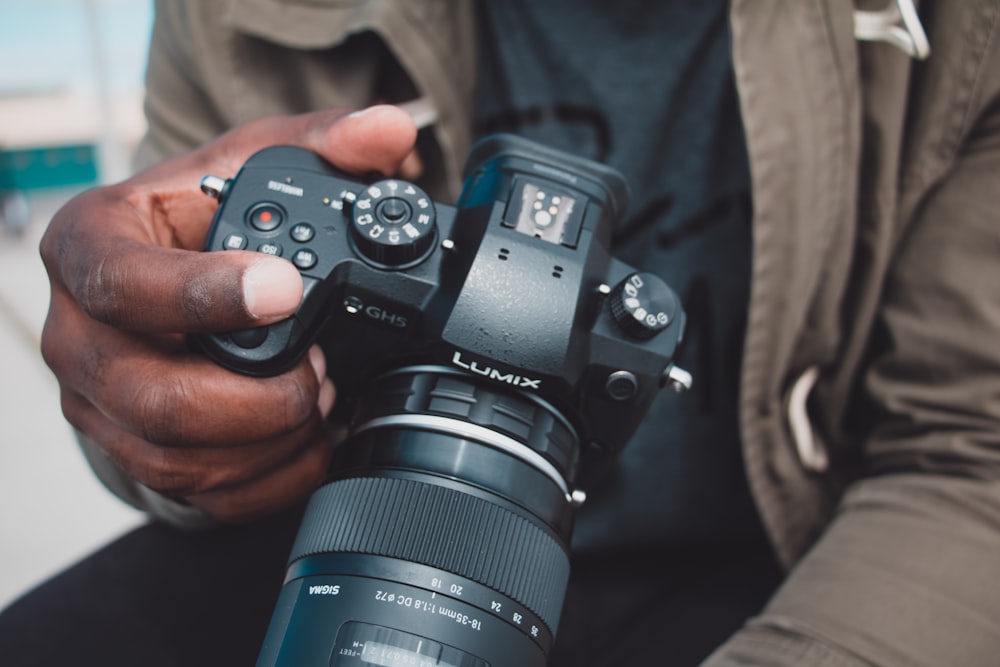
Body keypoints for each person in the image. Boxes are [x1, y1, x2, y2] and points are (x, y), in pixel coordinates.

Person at [3, 1, 1000, 665]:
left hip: (785, 548)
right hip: (343, 518)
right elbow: (161, 355)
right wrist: (157, 408)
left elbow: (973, 448)